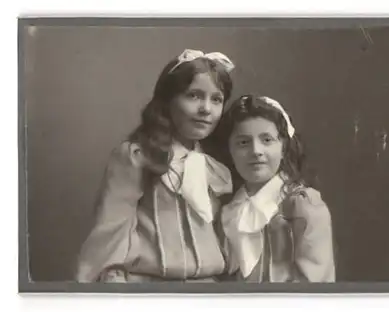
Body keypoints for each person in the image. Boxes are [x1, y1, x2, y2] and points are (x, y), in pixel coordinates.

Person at [76, 49, 235, 282]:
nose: (206, 109)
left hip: (207, 290)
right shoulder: (137, 157)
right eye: (193, 96)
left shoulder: (216, 169)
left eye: (216, 99)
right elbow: (110, 233)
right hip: (148, 289)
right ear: (168, 101)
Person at [218, 95, 336, 282]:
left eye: (267, 140)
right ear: (230, 150)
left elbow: (313, 285)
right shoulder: (229, 210)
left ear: (283, 149)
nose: (256, 150)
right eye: (243, 142)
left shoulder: (303, 205)